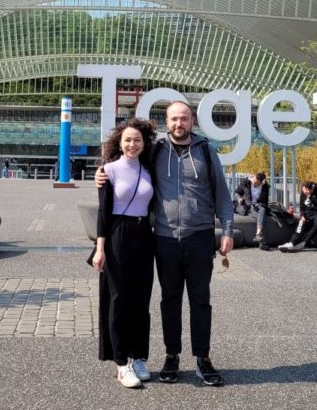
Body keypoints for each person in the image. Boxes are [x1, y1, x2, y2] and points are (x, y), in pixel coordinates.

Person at [96, 101, 234, 386]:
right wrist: (102, 172)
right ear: (166, 121)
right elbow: (127, 162)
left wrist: (228, 231)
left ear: (192, 120)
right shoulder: (156, 151)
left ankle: (203, 359)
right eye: (173, 119)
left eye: (183, 119)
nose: (178, 124)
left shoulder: (206, 152)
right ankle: (172, 356)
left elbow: (222, 194)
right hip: (164, 237)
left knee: (200, 300)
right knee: (169, 299)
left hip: (200, 235)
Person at [93, 118, 157, 389]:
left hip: (144, 236)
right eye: (128, 140)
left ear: (144, 144)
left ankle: (138, 356)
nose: (132, 144)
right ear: (119, 142)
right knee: (118, 299)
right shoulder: (108, 170)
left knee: (141, 300)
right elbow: (103, 212)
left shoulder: (148, 169)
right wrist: (100, 248)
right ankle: (121, 362)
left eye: (137, 140)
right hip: (118, 235)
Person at [278, 181, 317, 251]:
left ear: (310, 189)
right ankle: (292, 243)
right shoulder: (304, 191)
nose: (304, 193)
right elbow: (302, 206)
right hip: (308, 213)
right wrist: (302, 216)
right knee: (301, 223)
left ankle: (304, 242)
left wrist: (310, 196)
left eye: (306, 191)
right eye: (303, 191)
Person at [233, 172, 270, 242]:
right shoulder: (246, 182)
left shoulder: (265, 187)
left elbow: (265, 202)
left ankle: (258, 233)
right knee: (261, 214)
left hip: (258, 206)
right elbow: (237, 192)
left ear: (261, 182)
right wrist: (239, 198)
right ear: (253, 178)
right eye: (254, 182)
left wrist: (261, 204)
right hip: (247, 206)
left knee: (262, 210)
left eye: (256, 183)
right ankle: (259, 236)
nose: (254, 184)